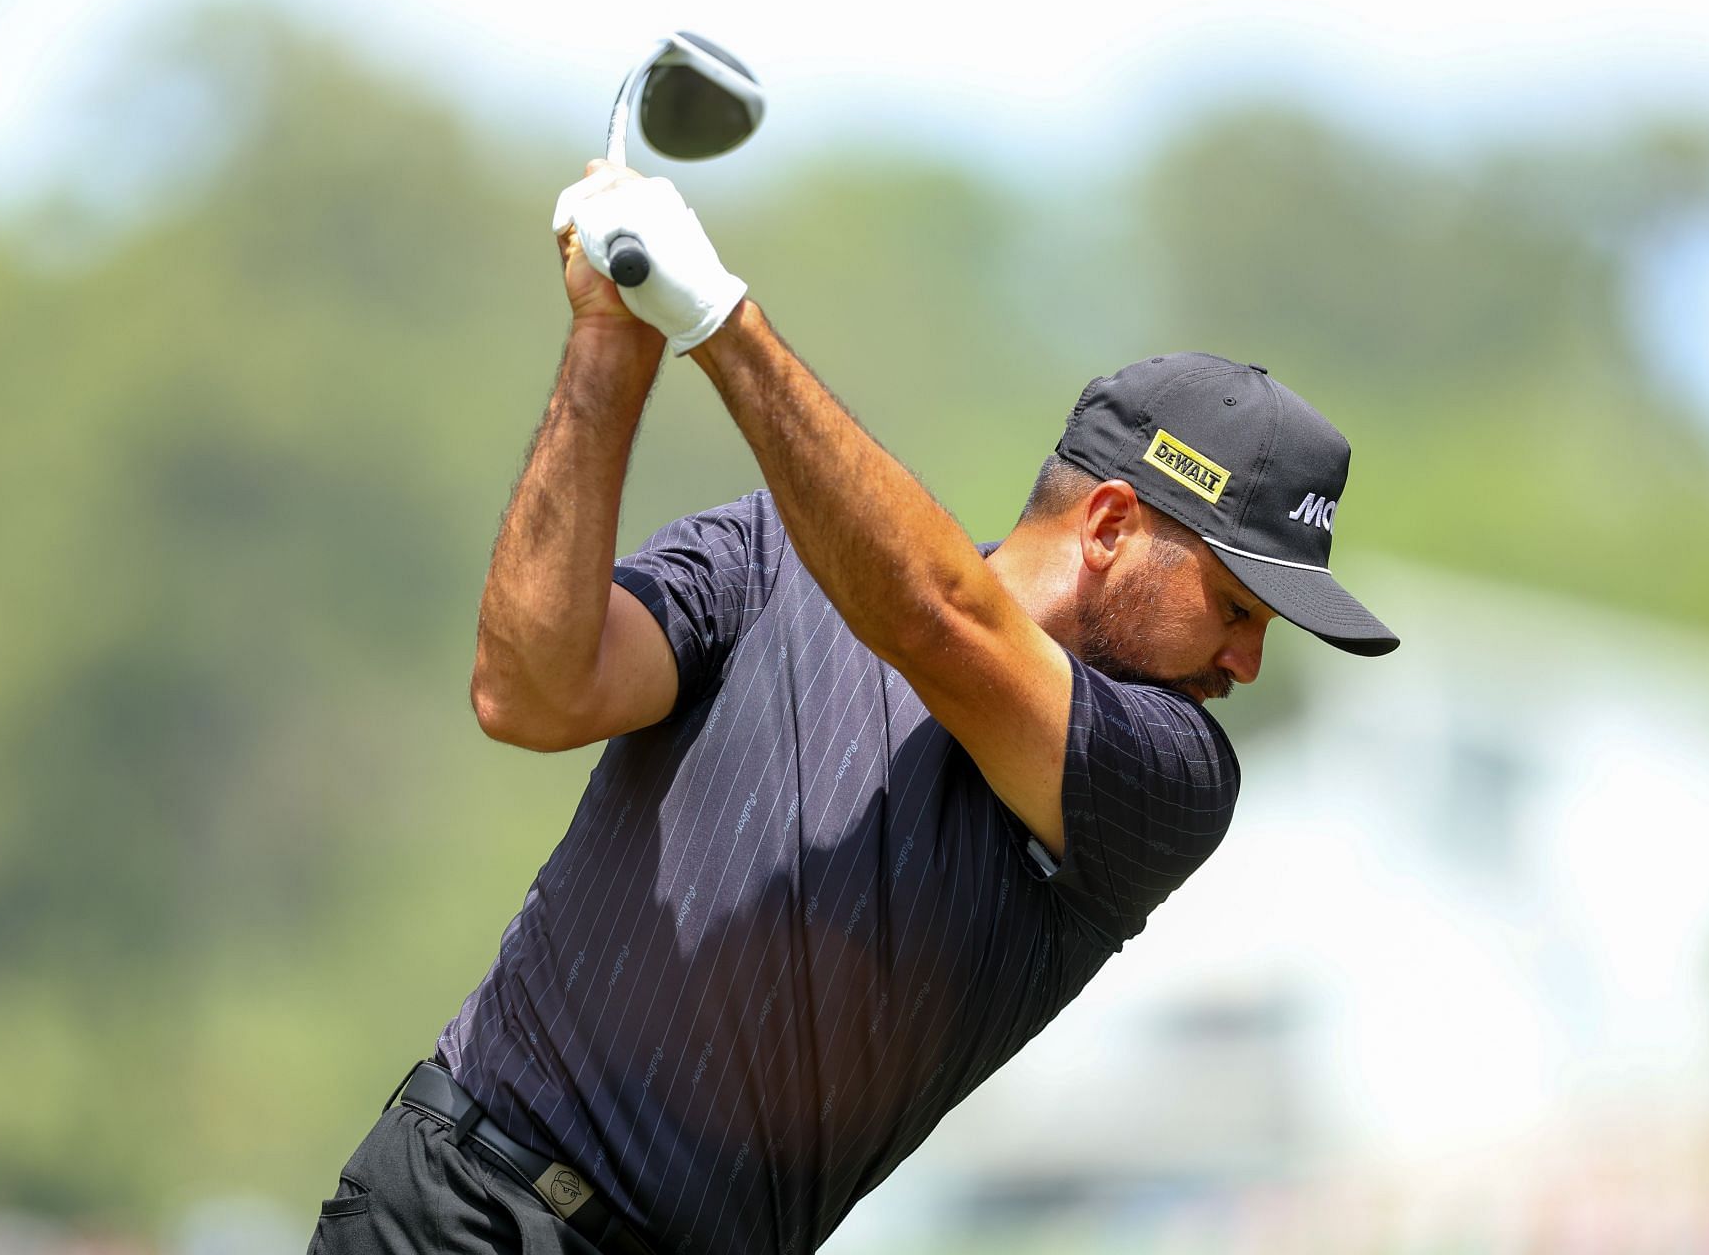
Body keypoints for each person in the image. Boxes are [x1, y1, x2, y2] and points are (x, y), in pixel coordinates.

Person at [306, 163, 1398, 1255]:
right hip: (445, 1203)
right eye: (1235, 605)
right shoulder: (762, 551)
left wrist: (717, 319)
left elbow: (937, 621)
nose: (1247, 662)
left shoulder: (1173, 777)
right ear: (1111, 524)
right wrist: (612, 337)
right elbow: (529, 691)